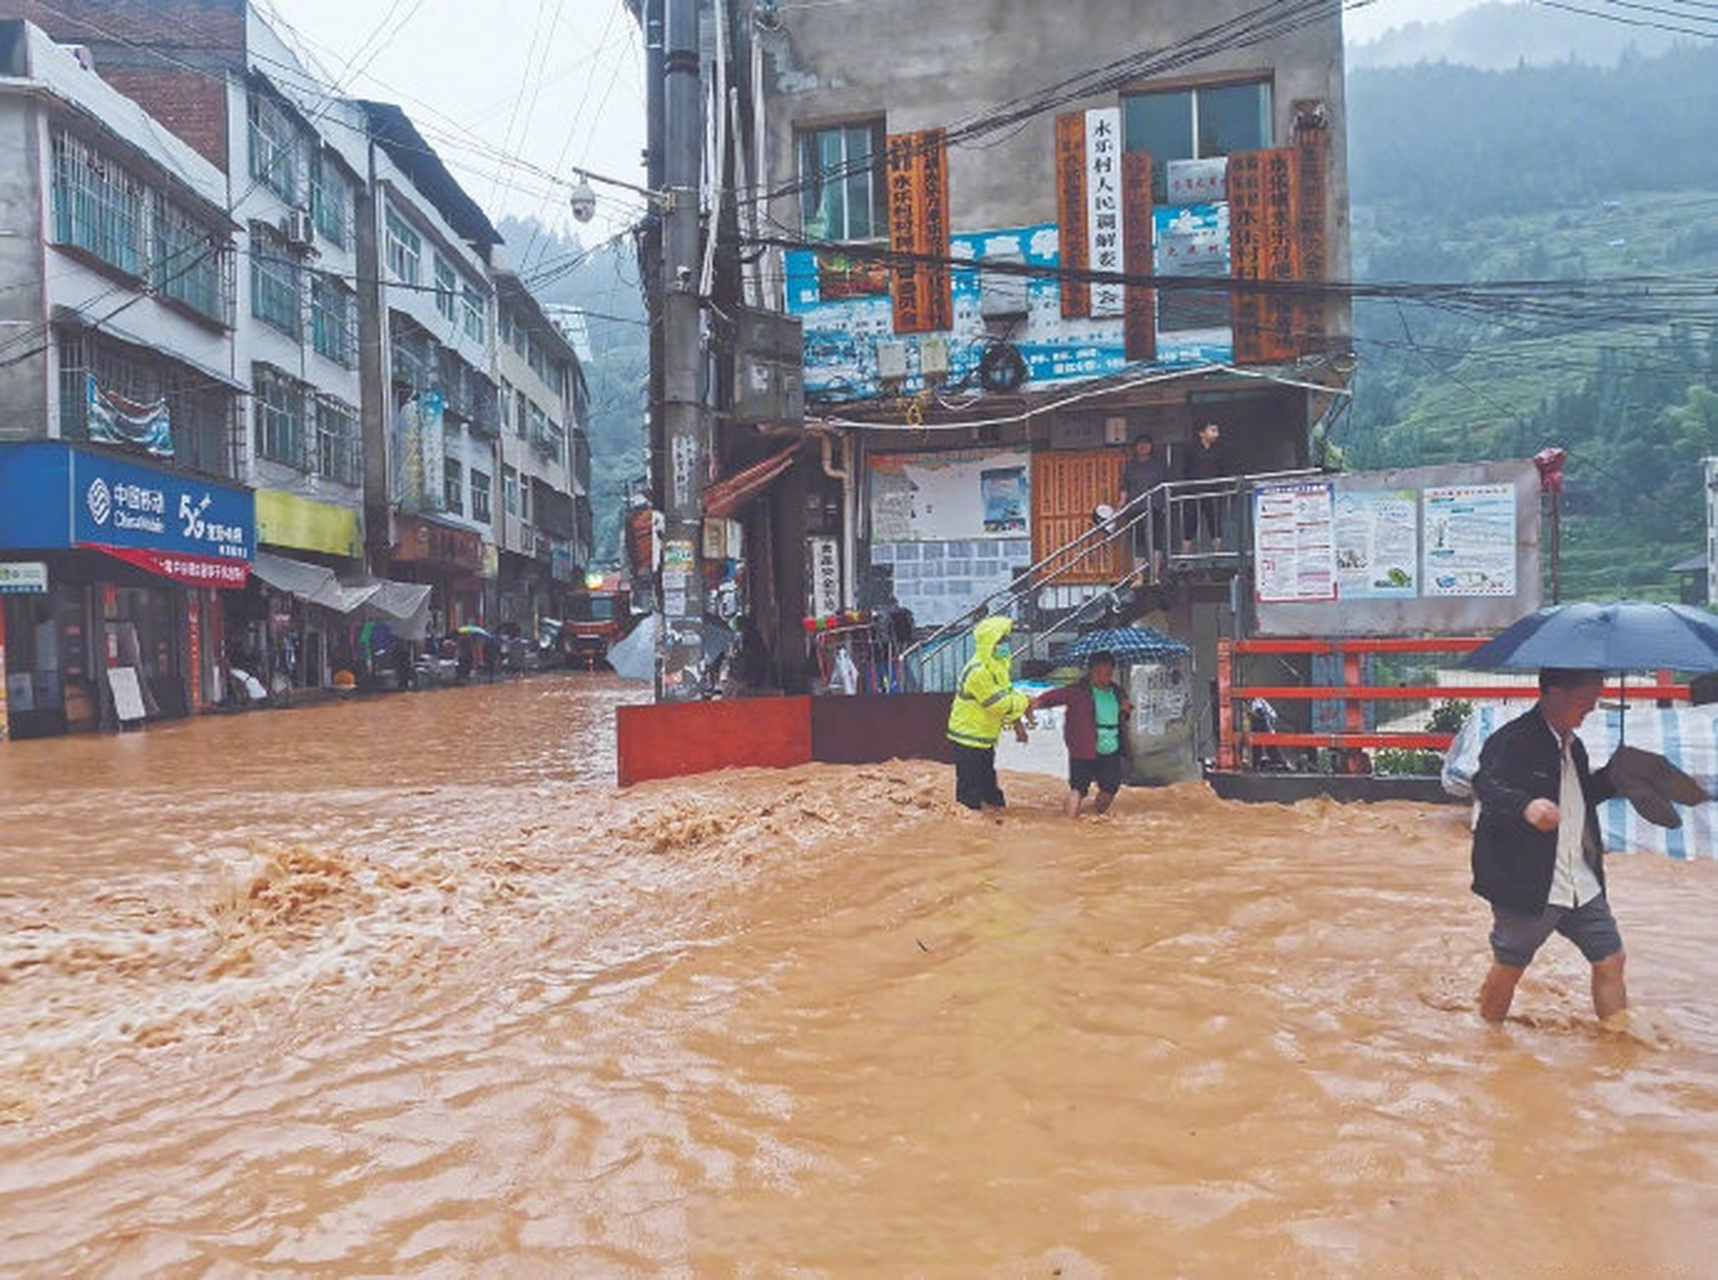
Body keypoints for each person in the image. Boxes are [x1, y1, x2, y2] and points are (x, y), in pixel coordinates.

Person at [1470, 667, 1626, 1024]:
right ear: (1555, 693)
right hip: (1529, 882)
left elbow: (1580, 799)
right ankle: (1485, 1042)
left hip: (1579, 879)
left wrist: (1616, 777)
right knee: (1510, 966)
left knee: (1611, 959)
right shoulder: (1512, 740)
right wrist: (1526, 806)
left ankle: (1617, 1053)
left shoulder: (1575, 746)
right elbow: (1485, 784)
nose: (1592, 707)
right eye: (1588, 698)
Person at [945, 615, 1034, 812]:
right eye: (1001, 640)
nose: (1006, 645)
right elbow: (998, 703)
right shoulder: (978, 671)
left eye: (1006, 640)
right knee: (969, 798)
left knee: (989, 789)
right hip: (967, 738)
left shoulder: (997, 665)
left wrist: (1018, 724)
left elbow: (1007, 694)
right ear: (989, 642)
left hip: (984, 738)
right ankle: (969, 838)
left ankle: (994, 824)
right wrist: (1026, 702)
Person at [1032, 650, 1133, 818]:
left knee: (1110, 788)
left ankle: (1093, 817)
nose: (1104, 676)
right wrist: (1033, 704)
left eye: (1108, 672)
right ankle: (1069, 827)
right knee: (1078, 789)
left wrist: (1126, 709)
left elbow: (1124, 715)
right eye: (1100, 672)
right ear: (1091, 671)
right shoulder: (1078, 691)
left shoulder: (1118, 692)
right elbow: (1051, 698)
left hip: (1111, 747)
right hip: (1083, 747)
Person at [1120, 433, 1171, 581]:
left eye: (1146, 444)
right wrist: (1121, 504)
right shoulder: (1131, 466)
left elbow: (1166, 485)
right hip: (1136, 509)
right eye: (1140, 444)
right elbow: (1125, 487)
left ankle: (1155, 576)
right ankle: (1139, 576)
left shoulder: (1159, 464)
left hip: (1155, 507)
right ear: (1136, 447)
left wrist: (1165, 504)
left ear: (1151, 446)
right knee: (1138, 543)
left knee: (1156, 541)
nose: (1143, 447)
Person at [1182, 420, 1231, 553]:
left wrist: (1222, 486)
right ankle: (1185, 558)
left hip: (1213, 492)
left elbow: (1223, 470)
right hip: (1194, 492)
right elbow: (1185, 470)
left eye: (1217, 431)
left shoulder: (1220, 449)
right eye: (1213, 430)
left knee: (1215, 525)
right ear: (1202, 433)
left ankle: (1217, 556)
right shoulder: (1191, 449)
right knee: (1189, 525)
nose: (1216, 434)